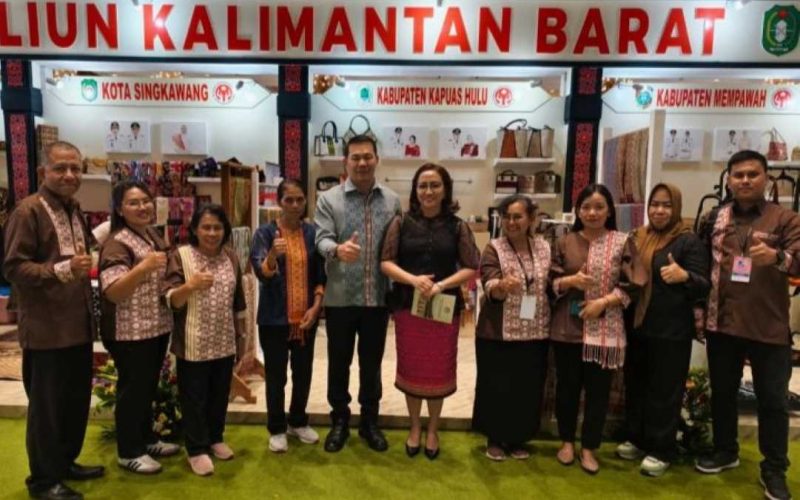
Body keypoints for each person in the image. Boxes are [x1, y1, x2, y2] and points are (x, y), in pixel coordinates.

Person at [695, 150, 800, 500]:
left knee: (773, 401)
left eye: (752, 174)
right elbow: (700, 264)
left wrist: (777, 257)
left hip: (768, 327)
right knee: (723, 394)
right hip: (722, 324)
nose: (744, 180)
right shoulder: (715, 218)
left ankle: (774, 469)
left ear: (766, 178)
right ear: (728, 179)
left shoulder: (784, 218)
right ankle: (726, 451)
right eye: (738, 174)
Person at [3, 141, 105, 499]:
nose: (69, 175)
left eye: (76, 168)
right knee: (46, 409)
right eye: (60, 168)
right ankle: (44, 481)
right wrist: (61, 270)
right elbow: (13, 267)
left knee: (74, 401)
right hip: (46, 329)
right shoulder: (27, 211)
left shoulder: (73, 208)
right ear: (42, 171)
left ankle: (64, 463)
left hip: (78, 325)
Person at [380, 163, 478, 460]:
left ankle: (433, 429)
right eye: (422, 185)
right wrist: (413, 280)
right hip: (408, 308)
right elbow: (386, 262)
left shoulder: (458, 226)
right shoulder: (401, 222)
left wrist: (441, 285)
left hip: (443, 310)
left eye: (435, 185)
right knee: (412, 369)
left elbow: (472, 266)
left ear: (445, 189)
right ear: (415, 190)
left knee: (438, 372)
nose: (428, 191)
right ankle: (414, 426)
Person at [550, 183, 646, 474]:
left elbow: (635, 282)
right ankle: (567, 442)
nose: (592, 213)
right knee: (567, 388)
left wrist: (603, 302)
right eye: (586, 207)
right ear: (578, 211)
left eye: (599, 207)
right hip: (567, 328)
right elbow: (548, 281)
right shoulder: (564, 242)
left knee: (598, 392)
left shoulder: (622, 242)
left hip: (605, 328)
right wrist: (570, 282)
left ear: (609, 211)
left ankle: (589, 447)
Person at [315, 134, 401, 453]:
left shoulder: (392, 201)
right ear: (346, 161)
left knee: (372, 364)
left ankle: (369, 422)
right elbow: (320, 239)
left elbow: (397, 246)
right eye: (355, 157)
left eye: (367, 156)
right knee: (338, 364)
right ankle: (339, 421)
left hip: (377, 299)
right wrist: (337, 250)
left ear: (377, 159)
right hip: (340, 299)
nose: (362, 162)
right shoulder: (329, 199)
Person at [617, 183, 710, 477]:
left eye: (666, 205)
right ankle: (637, 439)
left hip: (671, 330)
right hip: (637, 325)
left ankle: (661, 449)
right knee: (637, 385)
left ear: (676, 208)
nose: (659, 210)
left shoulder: (687, 241)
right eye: (654, 204)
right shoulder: (638, 237)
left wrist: (685, 276)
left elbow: (704, 284)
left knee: (665, 390)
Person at [99, 180, 179, 474]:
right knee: (133, 390)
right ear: (120, 209)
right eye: (133, 203)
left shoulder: (150, 235)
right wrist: (143, 267)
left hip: (155, 326)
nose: (142, 207)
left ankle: (146, 439)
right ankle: (129, 451)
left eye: (146, 201)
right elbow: (113, 291)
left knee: (146, 388)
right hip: (129, 331)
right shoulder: (117, 242)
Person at [164, 204, 247, 476]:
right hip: (193, 341)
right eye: (206, 227)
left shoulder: (231, 257)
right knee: (194, 397)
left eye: (217, 228)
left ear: (225, 231)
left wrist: (242, 337)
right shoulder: (181, 256)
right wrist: (190, 286)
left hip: (224, 339)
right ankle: (196, 448)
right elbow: (170, 300)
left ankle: (215, 438)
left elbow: (238, 301)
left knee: (219, 394)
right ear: (195, 230)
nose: (212, 233)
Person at [472, 195, 552, 461]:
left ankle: (519, 437)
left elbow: (551, 281)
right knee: (497, 386)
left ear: (531, 219)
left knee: (526, 387)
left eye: (517, 216)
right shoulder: (493, 248)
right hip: (498, 332)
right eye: (506, 217)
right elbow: (488, 281)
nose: (511, 222)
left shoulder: (544, 247)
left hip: (536, 330)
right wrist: (501, 287)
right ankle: (495, 438)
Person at [251, 179, 325, 454]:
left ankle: (298, 421)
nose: (294, 205)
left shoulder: (312, 233)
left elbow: (321, 275)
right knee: (276, 376)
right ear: (279, 202)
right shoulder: (264, 233)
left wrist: (316, 307)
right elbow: (261, 273)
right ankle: (277, 427)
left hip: (306, 318)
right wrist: (272, 255)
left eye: (299, 199)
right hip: (274, 319)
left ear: (306, 201)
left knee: (303, 373)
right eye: (288, 200)